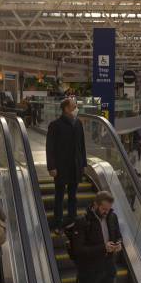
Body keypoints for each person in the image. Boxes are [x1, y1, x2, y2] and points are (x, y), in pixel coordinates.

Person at [68, 191, 122, 283]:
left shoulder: (112, 217)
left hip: (108, 269)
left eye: (109, 209)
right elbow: (78, 250)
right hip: (89, 272)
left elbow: (118, 235)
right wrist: (104, 248)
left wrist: (119, 243)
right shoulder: (82, 222)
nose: (106, 212)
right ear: (95, 204)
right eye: (103, 209)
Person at [45, 97, 87, 231]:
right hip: (61, 167)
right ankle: (58, 223)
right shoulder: (55, 125)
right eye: (74, 107)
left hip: (76, 166)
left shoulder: (78, 123)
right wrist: (51, 167)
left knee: (73, 195)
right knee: (59, 196)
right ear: (66, 109)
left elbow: (82, 146)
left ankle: (72, 219)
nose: (76, 109)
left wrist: (83, 163)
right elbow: (49, 147)